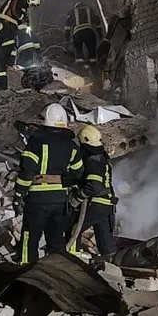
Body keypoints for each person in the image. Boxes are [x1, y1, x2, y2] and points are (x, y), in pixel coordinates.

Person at [14, 103, 84, 265]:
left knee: (30, 238)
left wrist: (18, 195)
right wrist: (63, 180)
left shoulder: (36, 142)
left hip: (37, 200)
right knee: (56, 240)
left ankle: (27, 271)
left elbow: (27, 172)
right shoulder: (71, 145)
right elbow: (78, 172)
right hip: (60, 201)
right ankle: (56, 272)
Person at [67, 125, 118, 256]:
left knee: (74, 229)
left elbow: (94, 186)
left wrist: (78, 197)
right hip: (107, 205)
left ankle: (71, 259)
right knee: (105, 242)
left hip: (95, 204)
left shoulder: (92, 159)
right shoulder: (102, 158)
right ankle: (111, 264)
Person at [0, 0, 41, 86]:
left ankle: (8, 65)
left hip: (7, 23)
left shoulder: (19, 2)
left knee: (10, 45)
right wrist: (23, 19)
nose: (31, 7)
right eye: (32, 5)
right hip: (5, 22)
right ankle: (7, 66)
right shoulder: (22, 0)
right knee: (8, 46)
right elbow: (17, 12)